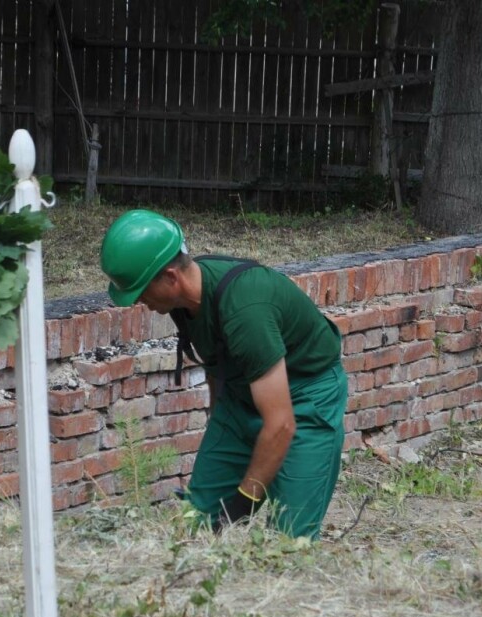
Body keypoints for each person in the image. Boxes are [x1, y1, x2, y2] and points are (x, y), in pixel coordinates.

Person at [99, 209, 348, 538]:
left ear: (172, 277)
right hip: (241, 394)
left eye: (142, 290)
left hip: (305, 401)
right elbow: (218, 360)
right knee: (198, 520)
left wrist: (245, 499)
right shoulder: (188, 302)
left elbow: (282, 423)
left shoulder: (246, 311)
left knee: (287, 541)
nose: (139, 301)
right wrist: (223, 426)